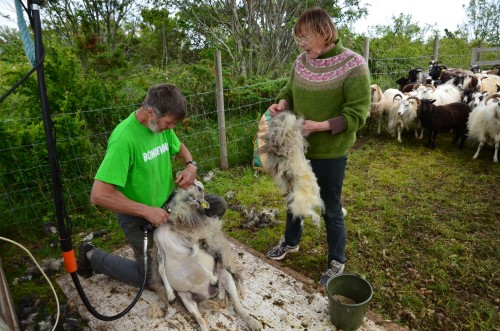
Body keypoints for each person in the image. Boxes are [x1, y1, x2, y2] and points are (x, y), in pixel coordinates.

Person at [76, 83, 227, 287]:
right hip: (138, 216)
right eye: (169, 122)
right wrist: (147, 211)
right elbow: (99, 194)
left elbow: (179, 146)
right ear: (150, 112)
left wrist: (191, 165)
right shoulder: (124, 140)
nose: (171, 127)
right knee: (154, 277)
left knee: (216, 205)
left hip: (170, 203)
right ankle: (92, 256)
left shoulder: (159, 126)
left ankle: (176, 239)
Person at [265, 7, 370, 286]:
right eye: (299, 38)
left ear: (324, 33)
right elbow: (289, 89)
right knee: (293, 196)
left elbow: (358, 113)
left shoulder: (353, 64)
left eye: (305, 37)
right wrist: (283, 104)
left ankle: (337, 261)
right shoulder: (301, 62)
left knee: (330, 207)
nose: (301, 43)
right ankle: (291, 241)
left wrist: (320, 126)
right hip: (296, 147)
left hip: (330, 151)